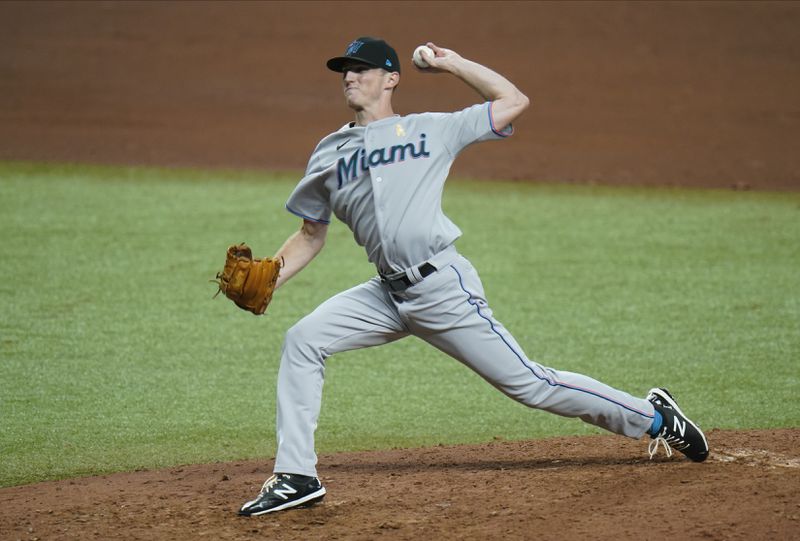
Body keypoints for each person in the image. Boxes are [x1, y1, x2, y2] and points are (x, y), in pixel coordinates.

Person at [238, 37, 709, 517]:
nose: (350, 77)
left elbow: (513, 102)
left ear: (391, 79)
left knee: (530, 385)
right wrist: (271, 278)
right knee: (302, 340)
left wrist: (454, 64)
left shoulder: (431, 130)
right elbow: (310, 234)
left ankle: (654, 418)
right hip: (384, 294)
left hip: (441, 288)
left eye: (361, 69)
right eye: (345, 71)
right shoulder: (329, 152)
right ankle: (297, 475)